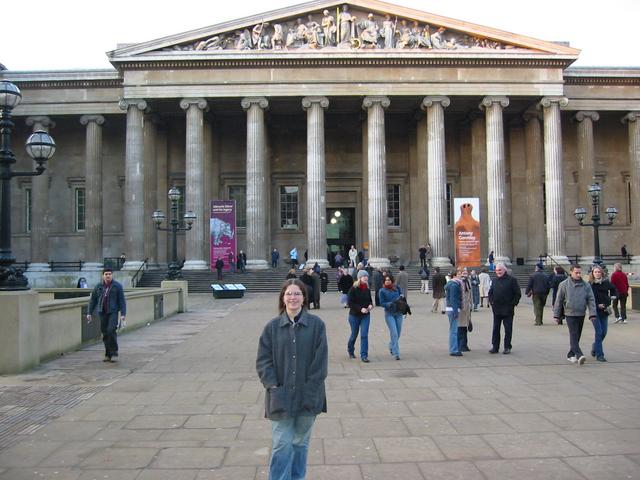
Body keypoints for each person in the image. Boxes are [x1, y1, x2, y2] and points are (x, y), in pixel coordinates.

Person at [256, 279, 328, 480]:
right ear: (282, 298)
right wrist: (272, 386)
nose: (293, 297)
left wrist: (311, 388)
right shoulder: (271, 328)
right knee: (281, 444)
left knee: (300, 443)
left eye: (297, 293)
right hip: (280, 396)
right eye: (289, 293)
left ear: (304, 298)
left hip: (308, 396)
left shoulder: (316, 325)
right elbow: (263, 361)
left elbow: (320, 363)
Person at [553, 264, 596, 365]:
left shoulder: (586, 285)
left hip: (581, 313)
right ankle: (579, 354)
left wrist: (592, 313)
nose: (578, 274)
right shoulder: (564, 284)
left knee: (577, 335)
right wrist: (556, 315)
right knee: (573, 334)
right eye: (576, 272)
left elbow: (591, 299)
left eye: (579, 272)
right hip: (570, 313)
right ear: (571, 272)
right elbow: (558, 300)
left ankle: (570, 354)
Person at [87, 268, 127, 363]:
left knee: (111, 330)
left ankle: (114, 351)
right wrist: (89, 312)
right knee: (105, 333)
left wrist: (123, 314)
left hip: (113, 311)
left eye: (109, 274)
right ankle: (108, 354)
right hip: (102, 312)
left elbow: (122, 301)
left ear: (112, 275)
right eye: (106, 274)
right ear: (103, 275)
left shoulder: (117, 286)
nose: (108, 275)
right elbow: (93, 300)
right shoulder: (98, 286)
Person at [488, 263, 521, 354]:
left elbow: (517, 294)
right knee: (495, 329)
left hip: (508, 309)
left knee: (508, 329)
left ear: (504, 270)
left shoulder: (512, 280)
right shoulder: (494, 281)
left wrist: (513, 304)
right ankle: (495, 346)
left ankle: (507, 347)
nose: (498, 272)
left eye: (500, 270)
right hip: (497, 309)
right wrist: (492, 302)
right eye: (497, 270)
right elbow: (490, 293)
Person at [588, 265, 617, 362]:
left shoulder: (606, 283)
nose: (597, 273)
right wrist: (597, 305)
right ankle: (600, 355)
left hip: (604, 311)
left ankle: (595, 346)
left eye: (599, 272)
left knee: (604, 332)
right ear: (592, 273)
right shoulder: (590, 285)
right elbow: (588, 298)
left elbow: (614, 290)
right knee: (599, 332)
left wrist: (612, 297)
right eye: (595, 272)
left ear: (601, 273)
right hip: (595, 311)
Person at [347, 270, 374, 362]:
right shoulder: (353, 289)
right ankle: (350, 350)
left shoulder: (367, 288)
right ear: (359, 278)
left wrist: (370, 305)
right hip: (354, 315)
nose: (366, 277)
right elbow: (350, 303)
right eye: (364, 276)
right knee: (354, 334)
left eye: (367, 276)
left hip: (365, 315)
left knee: (364, 335)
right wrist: (360, 309)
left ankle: (364, 355)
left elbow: (370, 300)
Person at [379, 274, 404, 360]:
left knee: (398, 333)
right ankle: (396, 353)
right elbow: (381, 303)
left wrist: (401, 296)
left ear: (392, 280)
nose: (387, 281)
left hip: (399, 313)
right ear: (384, 282)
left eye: (389, 280)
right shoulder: (382, 291)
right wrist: (388, 304)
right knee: (394, 333)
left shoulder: (397, 287)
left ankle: (391, 345)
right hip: (389, 314)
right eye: (386, 280)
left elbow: (402, 295)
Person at [444, 269, 463, 356]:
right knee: (454, 331)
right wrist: (456, 311)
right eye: (459, 274)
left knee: (453, 330)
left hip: (451, 309)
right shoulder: (454, 285)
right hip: (453, 309)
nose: (461, 275)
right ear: (454, 276)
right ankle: (454, 349)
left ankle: (454, 348)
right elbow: (453, 299)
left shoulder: (453, 284)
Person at [458, 268, 473, 352]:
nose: (464, 274)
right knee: (460, 327)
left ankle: (465, 345)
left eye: (466, 272)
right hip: (461, 308)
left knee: (465, 326)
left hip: (467, 308)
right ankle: (461, 345)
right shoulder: (458, 283)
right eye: (462, 272)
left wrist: (471, 306)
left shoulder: (468, 281)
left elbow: (470, 294)